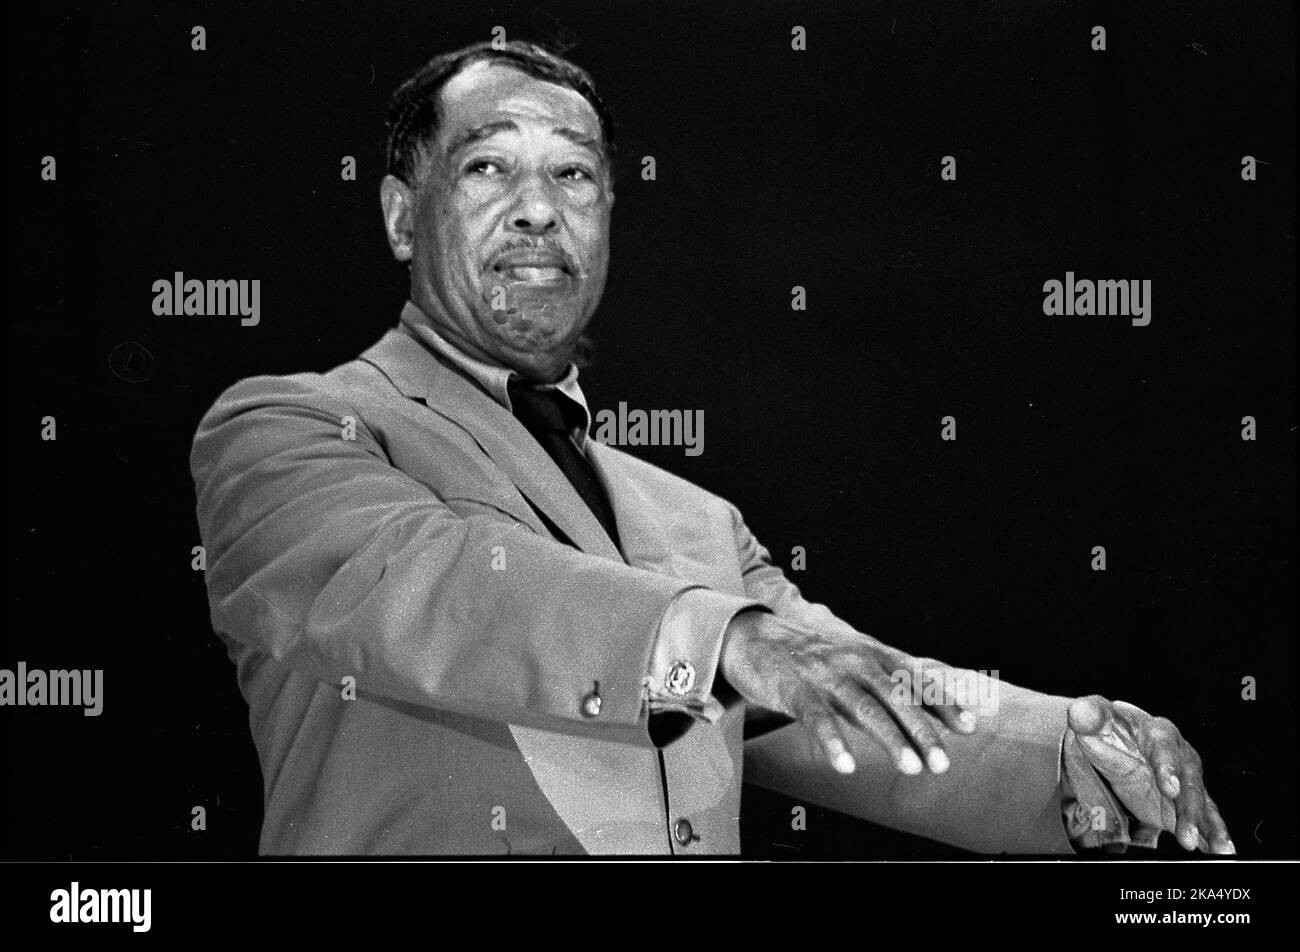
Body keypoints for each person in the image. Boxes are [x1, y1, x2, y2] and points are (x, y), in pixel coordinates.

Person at [189, 39, 1234, 856]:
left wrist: (1071, 748)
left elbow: (855, 694)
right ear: (400, 217)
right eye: (487, 168)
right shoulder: (289, 429)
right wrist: (719, 638)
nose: (539, 211)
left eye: (574, 176)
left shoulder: (693, 523)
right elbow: (438, 587)